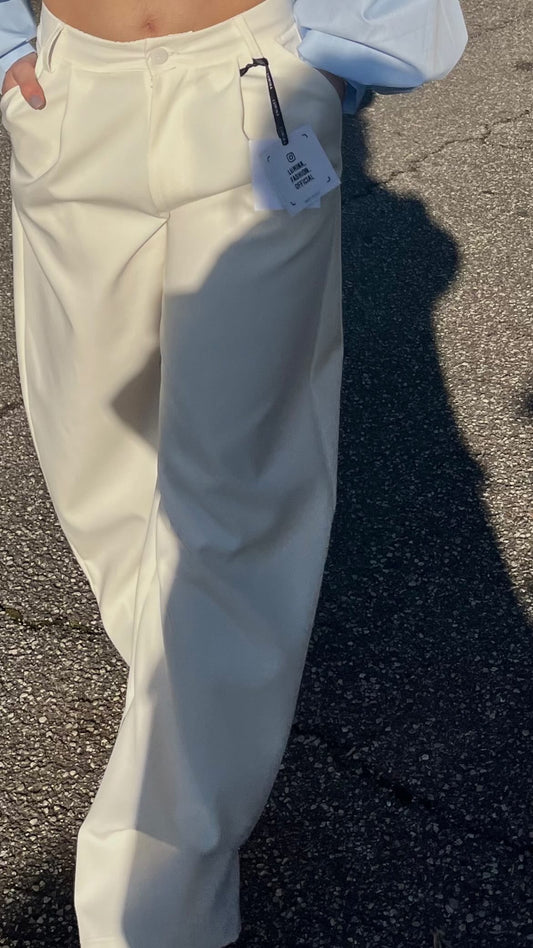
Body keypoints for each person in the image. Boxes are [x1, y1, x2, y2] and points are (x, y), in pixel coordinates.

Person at [0, 0, 467, 944]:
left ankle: (153, 900)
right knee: (96, 462)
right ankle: (198, 716)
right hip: (68, 87)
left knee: (235, 490)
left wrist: (326, 58)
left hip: (251, 77)